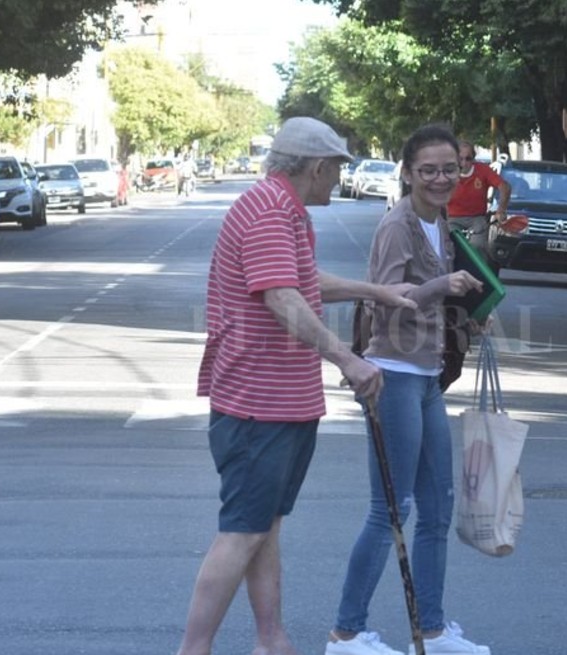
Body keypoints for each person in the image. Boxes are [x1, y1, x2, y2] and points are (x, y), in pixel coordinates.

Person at [179, 116, 419, 655]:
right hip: (257, 403)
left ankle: (272, 640)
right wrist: (345, 359)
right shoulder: (268, 212)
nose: (337, 177)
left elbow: (302, 281)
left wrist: (376, 291)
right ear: (315, 167)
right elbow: (282, 297)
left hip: (278, 401)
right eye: (336, 167)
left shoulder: (283, 209)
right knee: (243, 530)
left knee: (264, 527)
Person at [326, 124, 489, 655]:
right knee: (389, 511)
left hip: (425, 378)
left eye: (450, 168)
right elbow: (384, 299)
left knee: (438, 507)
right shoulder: (398, 226)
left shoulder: (438, 220)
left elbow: (436, 299)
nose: (441, 179)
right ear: (408, 173)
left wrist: (467, 310)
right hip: (393, 374)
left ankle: (434, 630)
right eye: (429, 170)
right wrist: (444, 286)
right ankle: (346, 633)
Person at [445, 140, 510, 255]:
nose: (464, 163)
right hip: (452, 219)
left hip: (476, 218)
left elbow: (504, 187)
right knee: (448, 245)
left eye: (468, 158)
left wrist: (501, 210)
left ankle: (475, 272)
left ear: (473, 159)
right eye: (460, 159)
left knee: (477, 246)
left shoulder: (483, 170)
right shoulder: (447, 172)